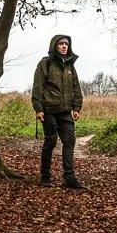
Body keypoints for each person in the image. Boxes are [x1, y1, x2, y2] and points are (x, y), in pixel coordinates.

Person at [31, 35, 86, 189]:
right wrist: (38, 109)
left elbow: (76, 88)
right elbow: (38, 87)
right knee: (51, 141)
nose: (64, 46)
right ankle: (45, 176)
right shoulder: (45, 63)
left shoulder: (70, 66)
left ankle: (69, 178)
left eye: (66, 44)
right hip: (48, 110)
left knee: (69, 141)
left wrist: (77, 107)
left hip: (65, 112)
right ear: (54, 46)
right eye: (61, 44)